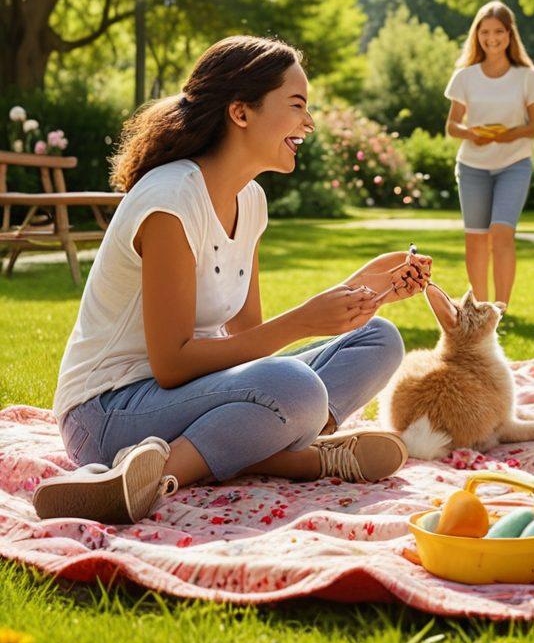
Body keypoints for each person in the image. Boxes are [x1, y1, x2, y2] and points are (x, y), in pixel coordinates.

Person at [33, 36, 431, 526]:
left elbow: (248, 343)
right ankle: (186, 473)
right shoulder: (172, 199)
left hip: (191, 398)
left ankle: (264, 450)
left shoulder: (251, 201)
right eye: (297, 105)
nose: (309, 122)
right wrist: (305, 322)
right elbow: (172, 365)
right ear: (240, 112)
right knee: (297, 388)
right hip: (108, 412)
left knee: (379, 340)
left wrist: (359, 288)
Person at [444, 0, 534, 307]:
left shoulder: (527, 77)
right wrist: (473, 133)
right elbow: (452, 126)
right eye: (485, 31)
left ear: (509, 34)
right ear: (477, 34)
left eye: (498, 31)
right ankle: (480, 310)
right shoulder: (465, 77)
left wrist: (506, 135)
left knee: (501, 233)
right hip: (472, 165)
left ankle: (500, 309)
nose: (492, 38)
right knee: (476, 239)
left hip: (514, 163)